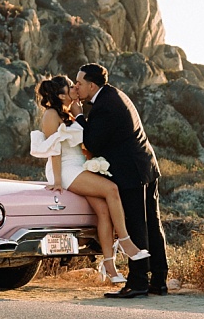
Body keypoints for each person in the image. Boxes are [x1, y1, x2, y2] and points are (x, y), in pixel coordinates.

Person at [30, 75, 149, 284]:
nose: (76, 88)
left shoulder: (70, 113)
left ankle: (110, 267)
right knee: (111, 189)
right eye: (71, 86)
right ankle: (125, 241)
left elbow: (86, 144)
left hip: (79, 166)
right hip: (65, 168)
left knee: (103, 211)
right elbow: (54, 151)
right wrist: (58, 181)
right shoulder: (50, 114)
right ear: (60, 94)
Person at [73, 63, 169, 298]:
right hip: (145, 166)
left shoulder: (104, 105)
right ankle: (158, 281)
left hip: (131, 172)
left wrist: (77, 115)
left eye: (79, 83)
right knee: (152, 225)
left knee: (137, 225)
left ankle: (137, 283)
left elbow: (93, 143)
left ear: (92, 85)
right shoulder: (114, 94)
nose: (76, 86)